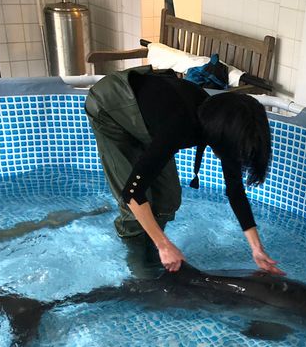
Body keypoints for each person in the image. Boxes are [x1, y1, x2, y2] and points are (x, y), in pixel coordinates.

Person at [84, 66, 284, 276]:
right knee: (135, 205)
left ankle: (151, 245)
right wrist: (164, 244)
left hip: (151, 117)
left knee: (169, 199)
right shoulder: (180, 127)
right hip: (110, 107)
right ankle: (138, 260)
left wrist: (256, 248)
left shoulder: (223, 122)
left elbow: (235, 191)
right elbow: (132, 193)